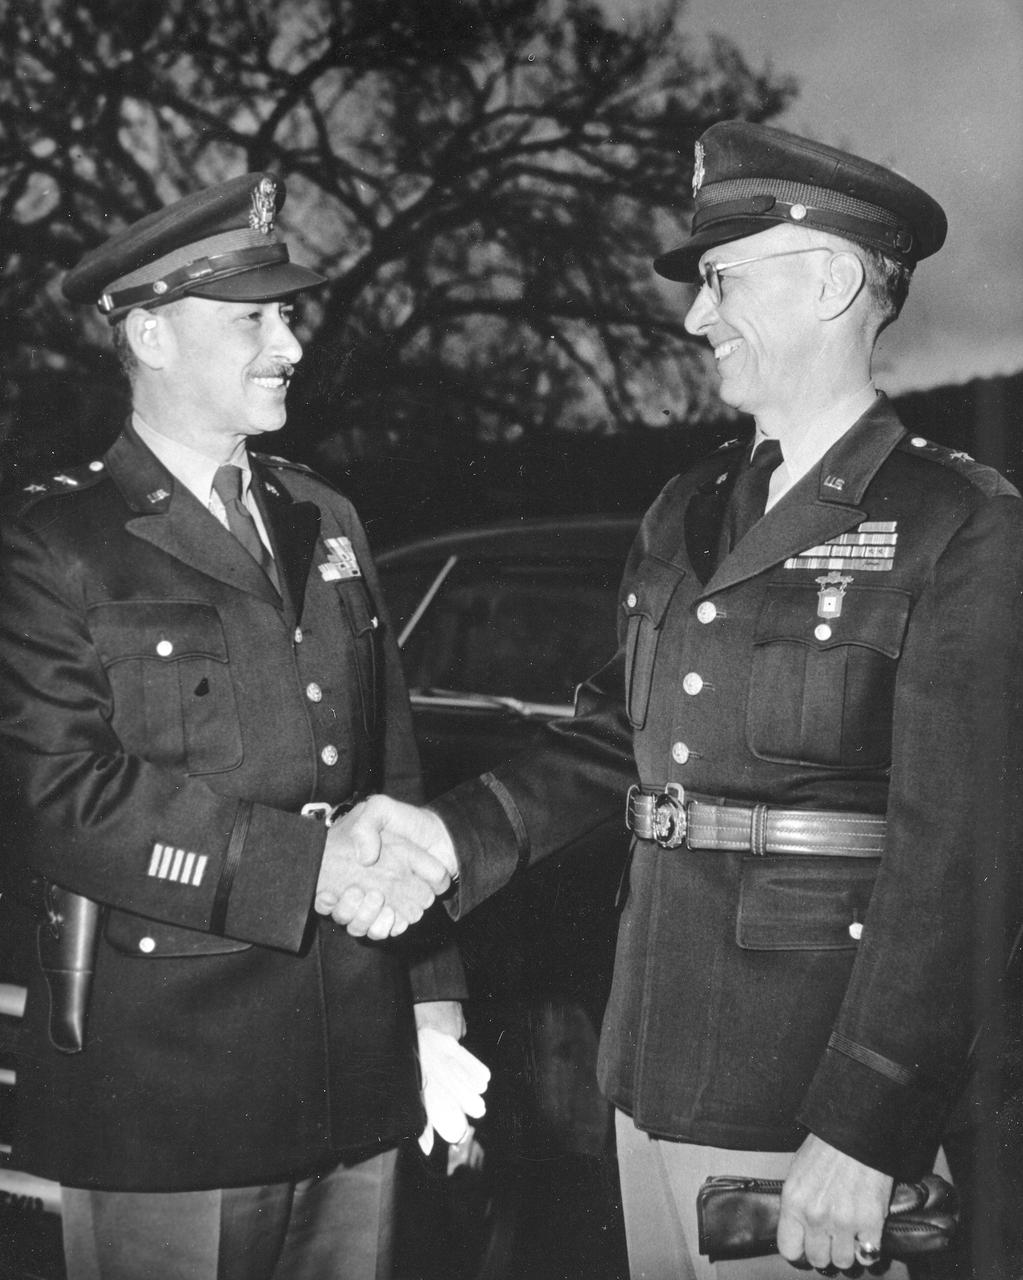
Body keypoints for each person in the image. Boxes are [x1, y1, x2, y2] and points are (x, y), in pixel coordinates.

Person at [318, 121, 1023, 1277]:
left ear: (833, 278)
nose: (696, 317)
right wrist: (451, 835)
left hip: (811, 1108)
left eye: (720, 280)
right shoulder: (686, 504)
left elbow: (966, 861)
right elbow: (617, 737)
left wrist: (867, 1121)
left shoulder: (957, 525)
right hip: (650, 1062)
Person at [0, 173, 487, 1280]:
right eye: (256, 318)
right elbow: (66, 800)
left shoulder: (325, 518)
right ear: (152, 334)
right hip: (171, 1093)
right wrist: (313, 865)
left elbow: (391, 762)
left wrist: (432, 1001)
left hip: (357, 1071)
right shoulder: (56, 542)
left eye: (291, 313)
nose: (292, 345)